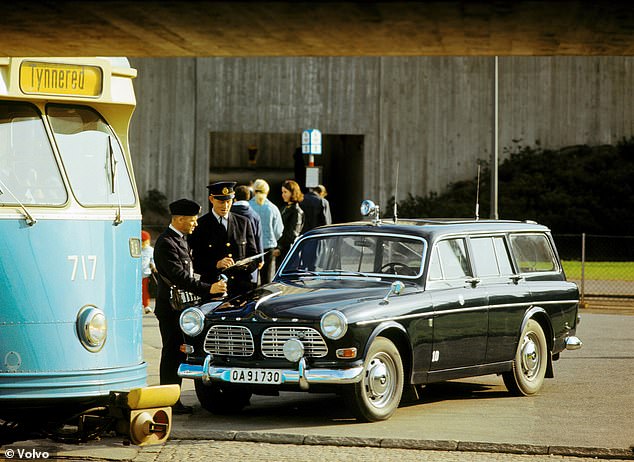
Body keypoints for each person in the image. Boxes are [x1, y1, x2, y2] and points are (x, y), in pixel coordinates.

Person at [153, 198, 227, 415]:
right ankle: (170, 400)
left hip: (183, 307)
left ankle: (174, 399)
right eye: (193, 220)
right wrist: (208, 288)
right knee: (171, 354)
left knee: (181, 352)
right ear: (180, 219)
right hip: (171, 308)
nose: (196, 224)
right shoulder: (166, 242)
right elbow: (179, 276)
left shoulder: (181, 240)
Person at [189, 181, 259, 297]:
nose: (225, 206)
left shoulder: (244, 222)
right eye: (221, 202)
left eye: (228, 201)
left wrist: (243, 266)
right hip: (212, 288)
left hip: (241, 289)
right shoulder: (200, 226)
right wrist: (216, 264)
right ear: (211, 199)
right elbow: (194, 262)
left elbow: (254, 257)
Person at [249, 178, 283, 284]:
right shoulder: (272, 208)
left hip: (252, 246)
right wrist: (273, 239)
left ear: (254, 191)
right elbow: (278, 230)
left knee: (251, 279)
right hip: (268, 246)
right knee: (266, 280)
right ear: (267, 191)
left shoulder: (248, 207)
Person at [230, 185, 263, 290]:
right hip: (249, 257)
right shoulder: (255, 215)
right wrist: (260, 259)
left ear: (234, 198)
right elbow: (258, 237)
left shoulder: (229, 213)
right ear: (249, 197)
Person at [274, 179, 305, 262]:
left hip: (288, 251)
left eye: (285, 192)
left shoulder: (297, 211)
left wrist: (280, 248)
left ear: (293, 193)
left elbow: (292, 234)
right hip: (281, 249)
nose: (283, 195)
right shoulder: (284, 208)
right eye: (282, 192)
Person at [141, 230, 156, 314]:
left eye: (144, 241)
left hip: (145, 273)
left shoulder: (150, 250)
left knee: (145, 291)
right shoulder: (136, 249)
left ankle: (146, 305)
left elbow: (153, 259)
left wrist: (153, 265)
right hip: (135, 275)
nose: (143, 244)